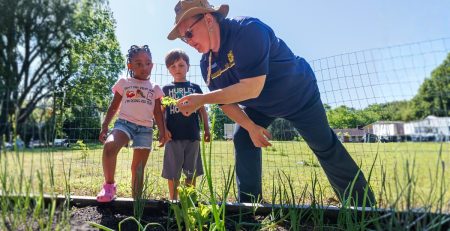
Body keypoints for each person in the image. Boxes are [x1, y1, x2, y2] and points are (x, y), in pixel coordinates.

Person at [167, 0, 376, 206]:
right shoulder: (207, 64)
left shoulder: (248, 31)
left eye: (189, 33)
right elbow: (226, 103)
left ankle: (363, 207)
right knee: (243, 138)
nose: (189, 41)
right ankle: (250, 207)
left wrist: (202, 99)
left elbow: (252, 87)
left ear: (209, 19)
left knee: (324, 146)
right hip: (260, 106)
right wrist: (251, 127)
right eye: (184, 39)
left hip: (298, 94)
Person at [97, 45, 166, 202]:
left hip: (145, 129)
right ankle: (109, 186)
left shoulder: (154, 88)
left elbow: (157, 112)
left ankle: (137, 202)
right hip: (124, 124)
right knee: (109, 147)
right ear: (130, 65)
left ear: (152, 65)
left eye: (148, 63)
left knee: (138, 168)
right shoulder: (124, 82)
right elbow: (113, 106)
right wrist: (105, 125)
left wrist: (162, 131)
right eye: (139, 63)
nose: (144, 67)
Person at [161, 49, 211, 200]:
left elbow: (202, 110)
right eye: (173, 66)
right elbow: (161, 113)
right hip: (173, 137)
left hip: (192, 136)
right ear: (168, 69)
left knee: (191, 172)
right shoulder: (166, 89)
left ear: (188, 67)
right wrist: (163, 130)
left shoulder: (195, 88)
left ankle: (190, 201)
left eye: (181, 65)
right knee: (173, 173)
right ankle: (174, 201)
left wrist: (207, 130)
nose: (177, 69)